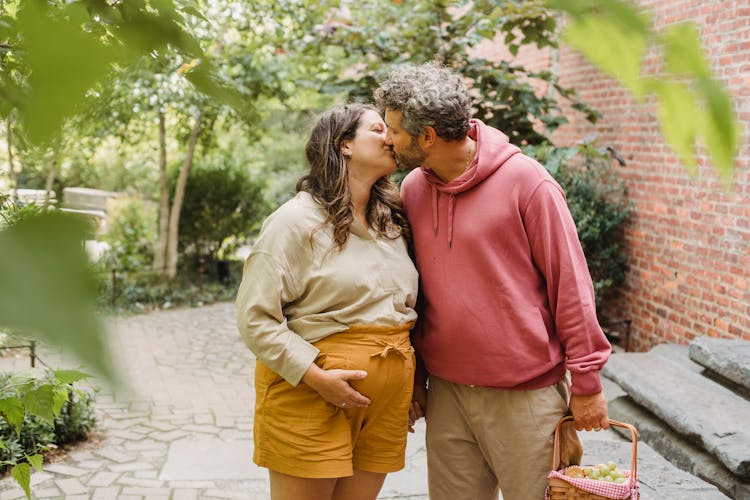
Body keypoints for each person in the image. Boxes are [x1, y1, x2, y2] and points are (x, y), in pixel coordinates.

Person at [374, 63, 611, 500]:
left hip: (527, 396)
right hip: (447, 394)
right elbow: (414, 294)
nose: (387, 138)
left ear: (427, 136)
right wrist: (417, 378)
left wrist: (587, 382)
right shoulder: (411, 190)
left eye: (393, 130)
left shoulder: (528, 183)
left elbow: (571, 285)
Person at [235, 103, 418, 500]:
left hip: (383, 404)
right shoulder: (292, 222)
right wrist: (317, 378)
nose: (391, 137)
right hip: (310, 393)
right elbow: (255, 319)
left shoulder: (394, 221)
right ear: (344, 145)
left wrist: (410, 384)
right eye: (378, 129)